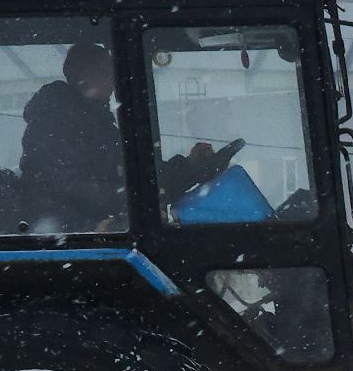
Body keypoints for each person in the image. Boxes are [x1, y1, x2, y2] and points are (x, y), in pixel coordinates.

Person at [18, 42, 223, 231]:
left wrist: (186, 166)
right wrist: (139, 197)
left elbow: (133, 171)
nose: (113, 77)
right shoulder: (58, 121)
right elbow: (75, 187)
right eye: (104, 70)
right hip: (79, 234)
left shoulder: (93, 120)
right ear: (82, 74)